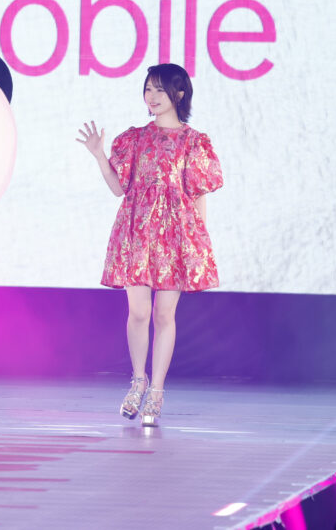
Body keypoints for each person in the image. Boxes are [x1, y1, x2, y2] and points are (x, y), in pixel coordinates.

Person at [77, 63, 223, 427]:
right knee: (139, 312)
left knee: (163, 315)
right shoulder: (134, 138)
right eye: (148, 89)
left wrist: (197, 243)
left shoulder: (194, 142)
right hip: (138, 232)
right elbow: (118, 188)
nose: (152, 96)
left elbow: (198, 194)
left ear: (179, 94)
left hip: (176, 236)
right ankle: (137, 381)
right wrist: (99, 155)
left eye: (160, 89)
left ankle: (156, 391)